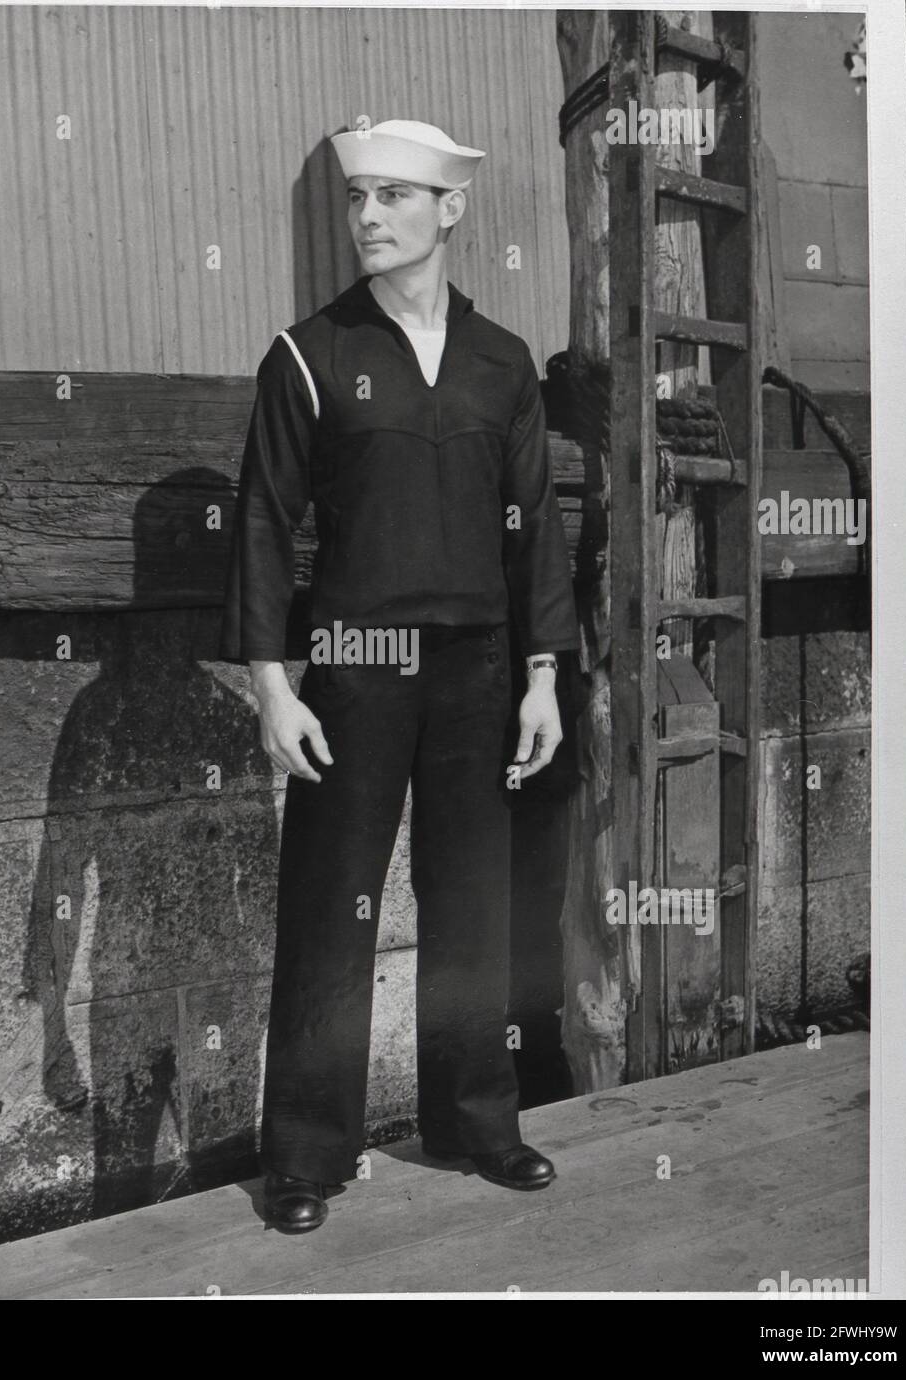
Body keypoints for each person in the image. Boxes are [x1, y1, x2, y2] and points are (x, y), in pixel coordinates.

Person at [220, 119, 580, 1232]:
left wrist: (541, 676)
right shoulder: (310, 355)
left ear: (450, 210)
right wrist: (275, 688)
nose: (368, 217)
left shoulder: (502, 363)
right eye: (357, 197)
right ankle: (305, 1156)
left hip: (476, 670)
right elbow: (266, 527)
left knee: (474, 902)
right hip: (357, 667)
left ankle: (477, 1119)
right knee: (333, 907)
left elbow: (537, 537)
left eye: (393, 197)